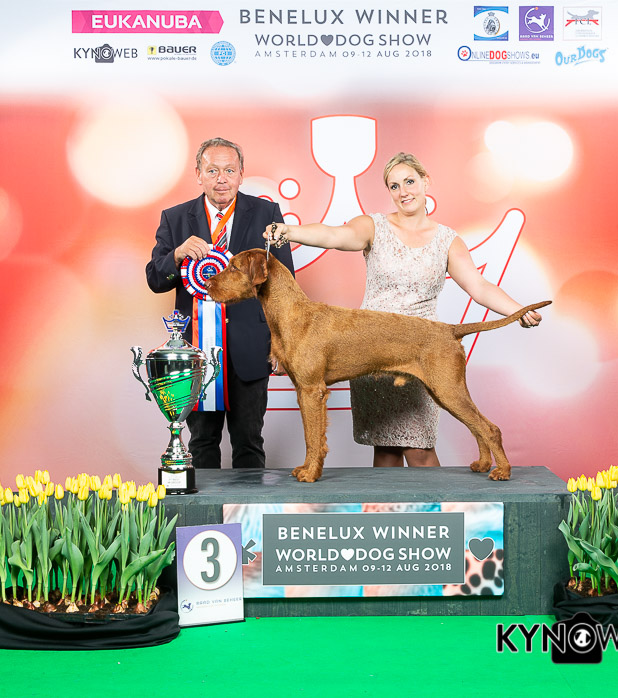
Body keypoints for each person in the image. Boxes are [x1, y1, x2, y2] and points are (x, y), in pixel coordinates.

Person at [265, 152, 540, 468]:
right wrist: (290, 231)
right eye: (394, 186)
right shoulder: (373, 226)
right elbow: (334, 235)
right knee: (385, 452)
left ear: (425, 181)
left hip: (422, 346)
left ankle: (450, 496)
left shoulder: (447, 240)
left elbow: (479, 286)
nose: (403, 192)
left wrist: (518, 310)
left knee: (420, 452)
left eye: (409, 181)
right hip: (368, 346)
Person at [146, 137, 294, 469]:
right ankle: (207, 506)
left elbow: (283, 286)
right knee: (201, 443)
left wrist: (281, 343)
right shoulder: (175, 218)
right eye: (212, 170)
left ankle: (249, 506)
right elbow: (155, 279)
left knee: (249, 442)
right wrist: (176, 255)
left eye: (229, 170)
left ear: (241, 174)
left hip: (251, 346)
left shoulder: (267, 213)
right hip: (196, 354)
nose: (221, 179)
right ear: (198, 174)